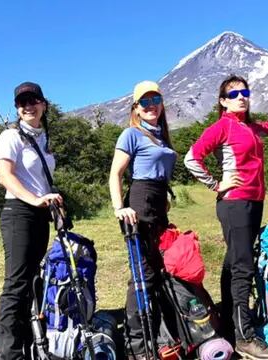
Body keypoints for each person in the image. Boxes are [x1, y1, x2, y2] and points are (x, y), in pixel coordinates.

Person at [184, 75, 268, 360]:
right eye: (234, 93)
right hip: (235, 203)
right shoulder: (222, 126)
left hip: (254, 201)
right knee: (243, 267)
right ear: (223, 101)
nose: (241, 96)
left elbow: (259, 128)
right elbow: (192, 158)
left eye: (245, 92)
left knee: (234, 262)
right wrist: (216, 184)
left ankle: (228, 321)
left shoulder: (248, 127)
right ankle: (244, 338)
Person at [0, 81, 63, 360]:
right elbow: (5, 176)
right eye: (22, 102)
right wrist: (34, 199)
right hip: (18, 213)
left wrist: (49, 200)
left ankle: (28, 341)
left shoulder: (43, 138)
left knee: (35, 279)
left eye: (33, 100)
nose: (28, 106)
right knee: (16, 283)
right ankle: (9, 353)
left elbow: (40, 179)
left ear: (44, 104)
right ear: (16, 108)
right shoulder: (10, 137)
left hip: (38, 215)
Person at [109, 80, 177, 360]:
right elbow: (116, 174)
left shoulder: (161, 135)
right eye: (144, 102)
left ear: (161, 104)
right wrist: (119, 208)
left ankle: (161, 335)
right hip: (139, 203)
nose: (151, 106)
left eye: (155, 101)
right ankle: (137, 345)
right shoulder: (131, 134)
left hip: (158, 204)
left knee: (159, 271)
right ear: (135, 109)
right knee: (143, 276)